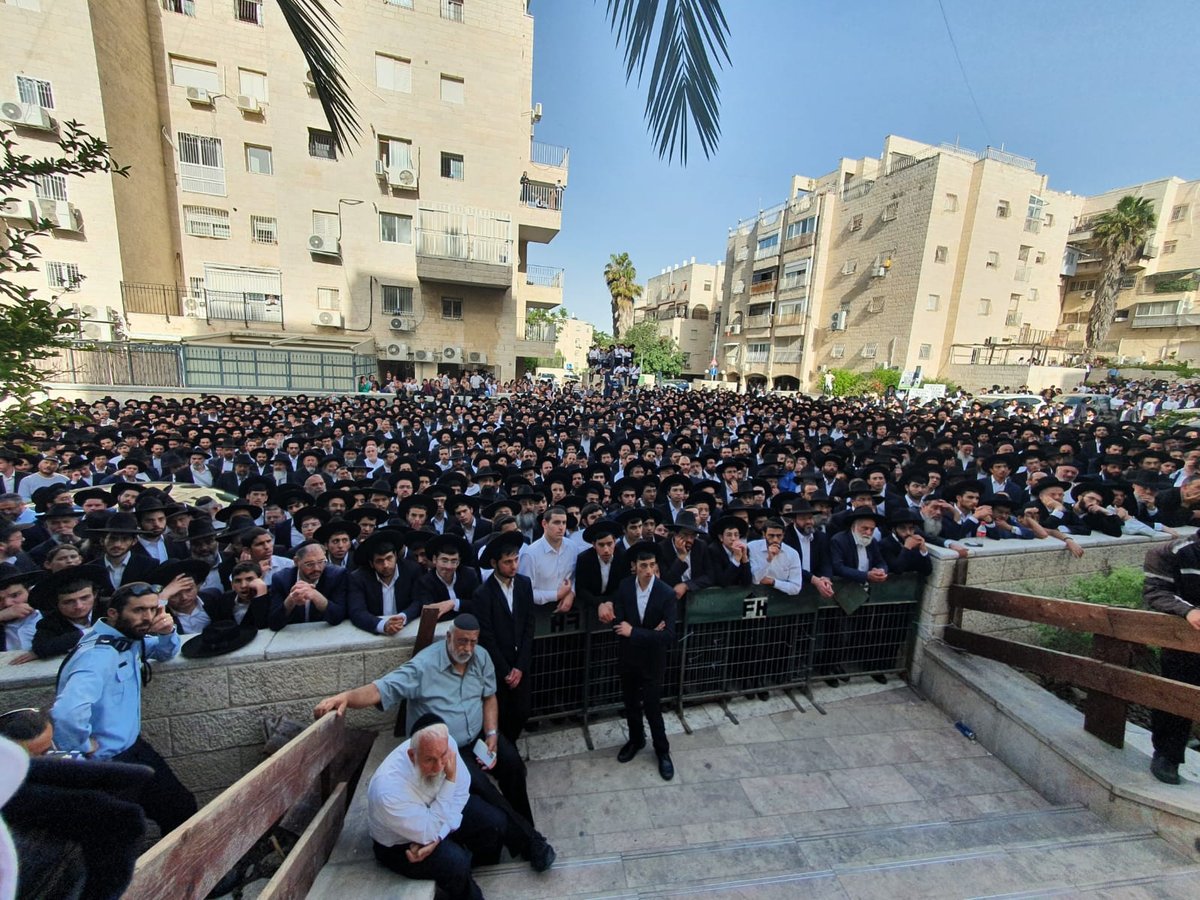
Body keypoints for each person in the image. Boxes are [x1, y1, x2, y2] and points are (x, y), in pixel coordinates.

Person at [314, 614, 556, 872]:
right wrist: (347, 698)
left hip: (478, 736)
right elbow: (381, 689)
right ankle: (532, 843)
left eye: (473, 642)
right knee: (483, 787)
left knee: (514, 766)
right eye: (462, 641)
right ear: (449, 637)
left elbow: (489, 697)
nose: (468, 648)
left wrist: (493, 734)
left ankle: (524, 830)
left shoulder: (481, 657)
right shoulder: (424, 666)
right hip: (442, 747)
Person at [50, 581, 198, 834]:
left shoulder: (125, 638)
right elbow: (67, 713)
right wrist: (84, 747)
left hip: (132, 750)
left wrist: (166, 631)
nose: (148, 617)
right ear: (113, 614)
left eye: (153, 609)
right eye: (139, 610)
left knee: (180, 809)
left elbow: (164, 652)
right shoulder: (98, 655)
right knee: (118, 835)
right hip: (106, 763)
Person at [368, 715, 510, 900]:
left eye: (443, 756)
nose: (439, 766)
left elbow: (461, 793)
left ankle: (473, 872)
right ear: (412, 756)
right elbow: (427, 831)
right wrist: (449, 780)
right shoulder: (387, 791)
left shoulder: (446, 745)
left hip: (436, 816)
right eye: (429, 760)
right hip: (402, 844)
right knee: (456, 862)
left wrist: (438, 838)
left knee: (495, 823)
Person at [613, 541, 677, 781]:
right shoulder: (624, 587)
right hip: (629, 657)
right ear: (634, 567)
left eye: (652, 565)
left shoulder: (666, 593)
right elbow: (619, 624)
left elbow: (669, 635)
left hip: (653, 660)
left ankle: (663, 751)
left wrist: (636, 632)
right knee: (630, 703)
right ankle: (636, 740)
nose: (648, 570)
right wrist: (651, 632)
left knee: (652, 706)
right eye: (643, 565)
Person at [1143, 533, 1200, 784]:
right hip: (1183, 639)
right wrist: (1188, 611)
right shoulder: (1175, 551)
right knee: (1176, 692)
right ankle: (1168, 755)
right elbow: (1155, 591)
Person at [471, 532, 535, 743]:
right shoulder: (483, 594)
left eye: (516, 560)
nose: (514, 566)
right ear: (494, 563)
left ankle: (511, 745)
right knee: (501, 713)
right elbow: (487, 637)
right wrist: (506, 671)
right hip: (498, 668)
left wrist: (520, 666)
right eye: (508, 562)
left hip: (520, 664)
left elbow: (528, 626)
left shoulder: (524, 584)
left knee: (522, 711)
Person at [267, 540, 348, 630]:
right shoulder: (281, 579)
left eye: (321, 562)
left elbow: (338, 616)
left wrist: (316, 596)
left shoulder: (336, 575)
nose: (317, 568)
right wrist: (291, 600)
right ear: (296, 561)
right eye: (309, 564)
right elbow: (274, 623)